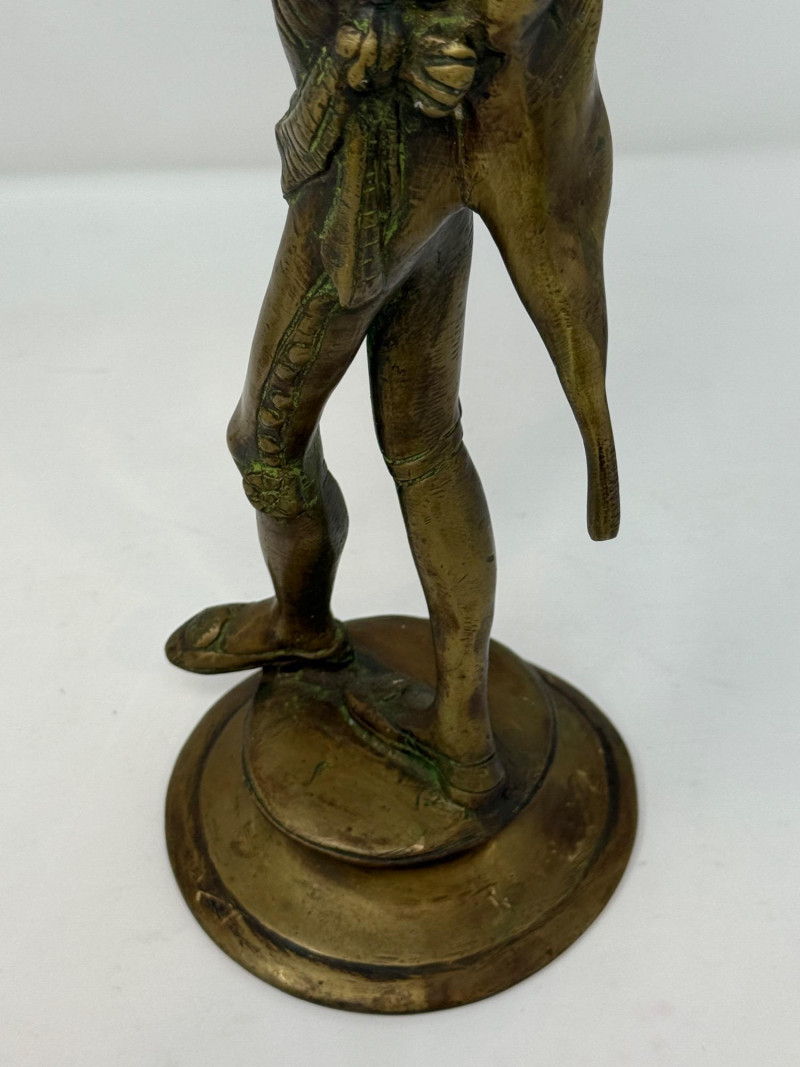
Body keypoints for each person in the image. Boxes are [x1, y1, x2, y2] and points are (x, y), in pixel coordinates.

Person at [167, 0, 620, 807]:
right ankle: (463, 735)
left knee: (265, 448)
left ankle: (304, 624)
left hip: (371, 169)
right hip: (436, 149)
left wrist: (422, 43)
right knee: (423, 437)